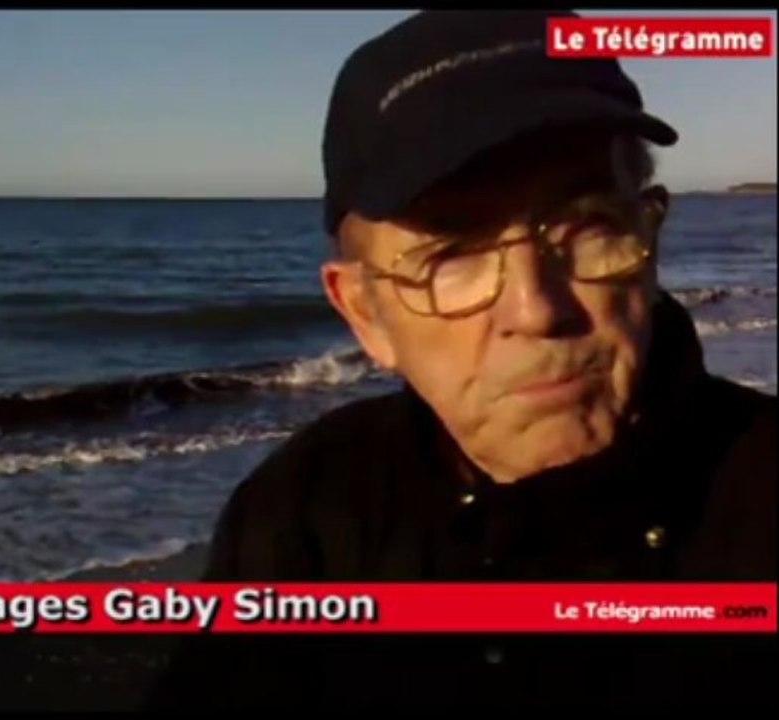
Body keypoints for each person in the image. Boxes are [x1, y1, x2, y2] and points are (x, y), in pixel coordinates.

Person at [143, 9, 776, 711]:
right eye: (453, 257)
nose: (537, 309)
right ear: (363, 314)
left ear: (648, 244)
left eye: (589, 227)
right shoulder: (304, 508)